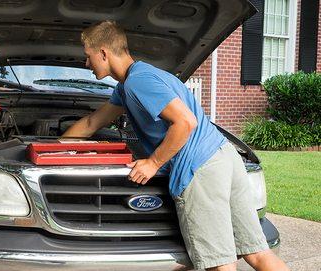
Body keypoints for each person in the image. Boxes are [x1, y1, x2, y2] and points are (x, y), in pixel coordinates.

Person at [62, 20, 289, 271]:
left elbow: (185, 122)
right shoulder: (133, 83)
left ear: (103, 53)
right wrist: (57, 145)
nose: (86, 64)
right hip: (223, 156)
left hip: (201, 169)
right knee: (258, 254)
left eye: (88, 56)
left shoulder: (139, 82)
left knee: (220, 264)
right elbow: (93, 121)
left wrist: (153, 162)